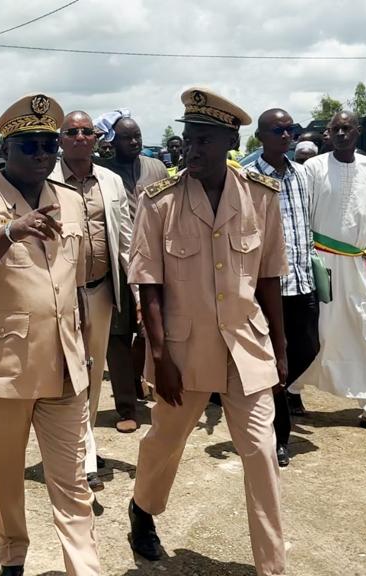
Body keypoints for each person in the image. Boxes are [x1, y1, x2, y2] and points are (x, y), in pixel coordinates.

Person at [126, 88, 288, 576]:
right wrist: (160, 357)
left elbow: (269, 278)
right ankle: (142, 509)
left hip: (246, 345)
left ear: (228, 142)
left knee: (260, 453)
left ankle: (272, 566)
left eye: (201, 141)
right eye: (186, 139)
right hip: (184, 351)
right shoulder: (159, 203)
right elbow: (148, 286)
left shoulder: (261, 197)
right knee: (164, 442)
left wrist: (280, 348)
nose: (189, 150)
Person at [0, 94, 99, 576]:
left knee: (73, 483)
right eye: (29, 145)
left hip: (64, 367)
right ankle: (12, 559)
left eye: (48, 145)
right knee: (5, 481)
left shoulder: (69, 200)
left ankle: (84, 568)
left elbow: (76, 283)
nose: (41, 155)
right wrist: (9, 232)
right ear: (5, 150)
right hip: (2, 371)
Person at [292, 111, 366, 436]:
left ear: (358, 132)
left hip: (358, 265)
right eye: (335, 128)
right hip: (321, 263)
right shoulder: (314, 167)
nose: (341, 133)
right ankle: (292, 391)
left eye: (347, 128)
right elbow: (304, 218)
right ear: (327, 134)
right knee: (315, 331)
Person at [50, 110, 135, 494]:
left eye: (88, 132)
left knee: (94, 368)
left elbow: (129, 239)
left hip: (101, 291)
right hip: (62, 295)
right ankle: (83, 457)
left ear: (97, 139)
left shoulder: (112, 183)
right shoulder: (46, 181)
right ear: (61, 139)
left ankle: (84, 443)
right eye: (73, 132)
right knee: (72, 373)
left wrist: (138, 290)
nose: (81, 137)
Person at [246, 108, 318, 466]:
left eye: (291, 129)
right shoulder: (247, 178)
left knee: (309, 347)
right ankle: (278, 438)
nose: (287, 135)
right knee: (276, 355)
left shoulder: (302, 175)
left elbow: (305, 225)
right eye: (279, 130)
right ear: (261, 136)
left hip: (302, 281)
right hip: (267, 287)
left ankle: (278, 389)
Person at [94, 111, 168, 433]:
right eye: (127, 137)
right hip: (118, 264)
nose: (135, 141)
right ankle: (127, 406)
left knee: (157, 329)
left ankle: (152, 387)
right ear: (112, 141)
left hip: (158, 261)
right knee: (119, 336)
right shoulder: (102, 174)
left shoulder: (157, 168)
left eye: (137, 135)